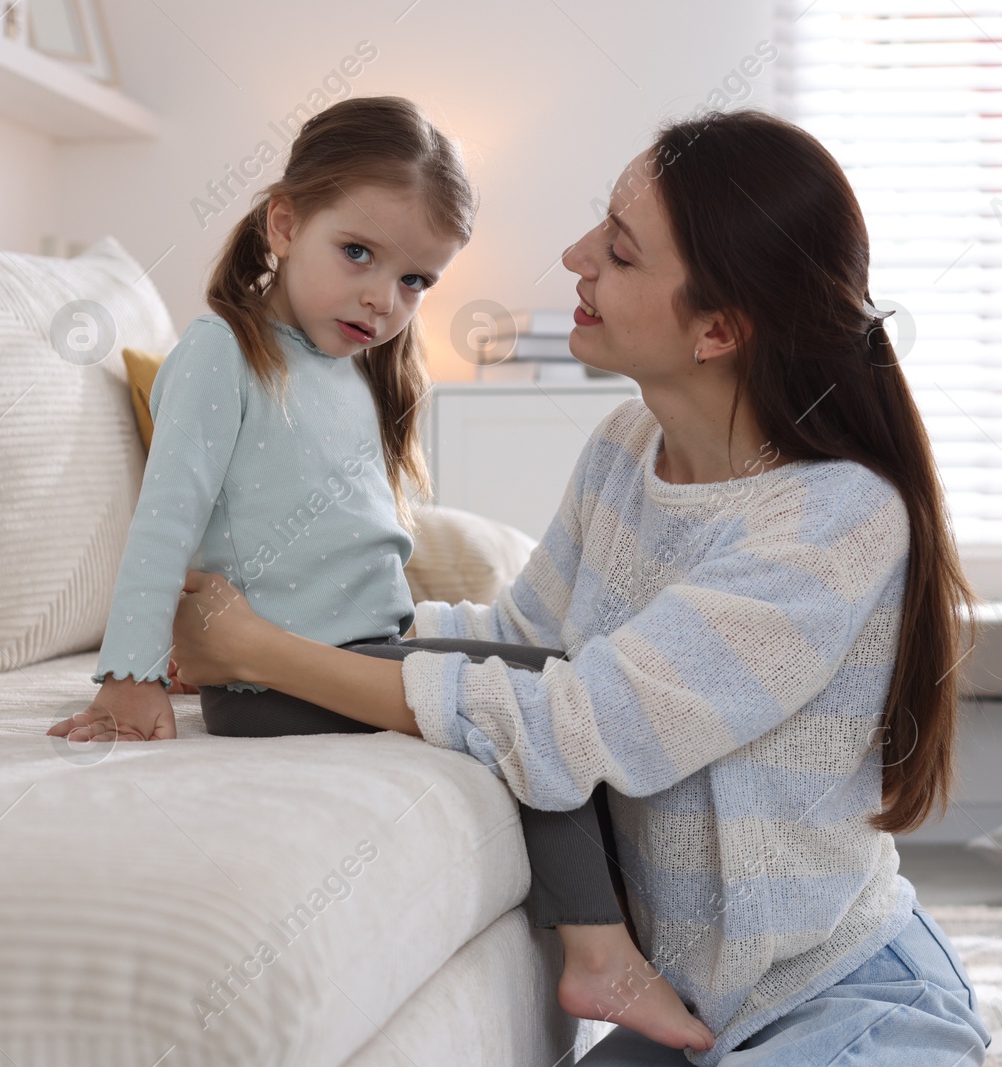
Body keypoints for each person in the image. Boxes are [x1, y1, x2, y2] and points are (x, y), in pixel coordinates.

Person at [165, 109, 992, 1066]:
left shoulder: (833, 521)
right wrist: (300, 633)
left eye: (622, 252)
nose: (575, 255)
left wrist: (263, 651)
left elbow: (565, 723)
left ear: (719, 329)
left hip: (843, 1001)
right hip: (692, 1018)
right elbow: (516, 636)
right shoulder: (623, 453)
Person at [45, 94, 713, 1054]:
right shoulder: (222, 354)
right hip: (280, 684)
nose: (382, 300)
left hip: (366, 651)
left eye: (414, 280)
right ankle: (601, 958)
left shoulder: (352, 370)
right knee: (539, 699)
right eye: (357, 254)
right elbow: (165, 523)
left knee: (560, 682)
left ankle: (621, 937)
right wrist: (131, 671)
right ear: (285, 223)